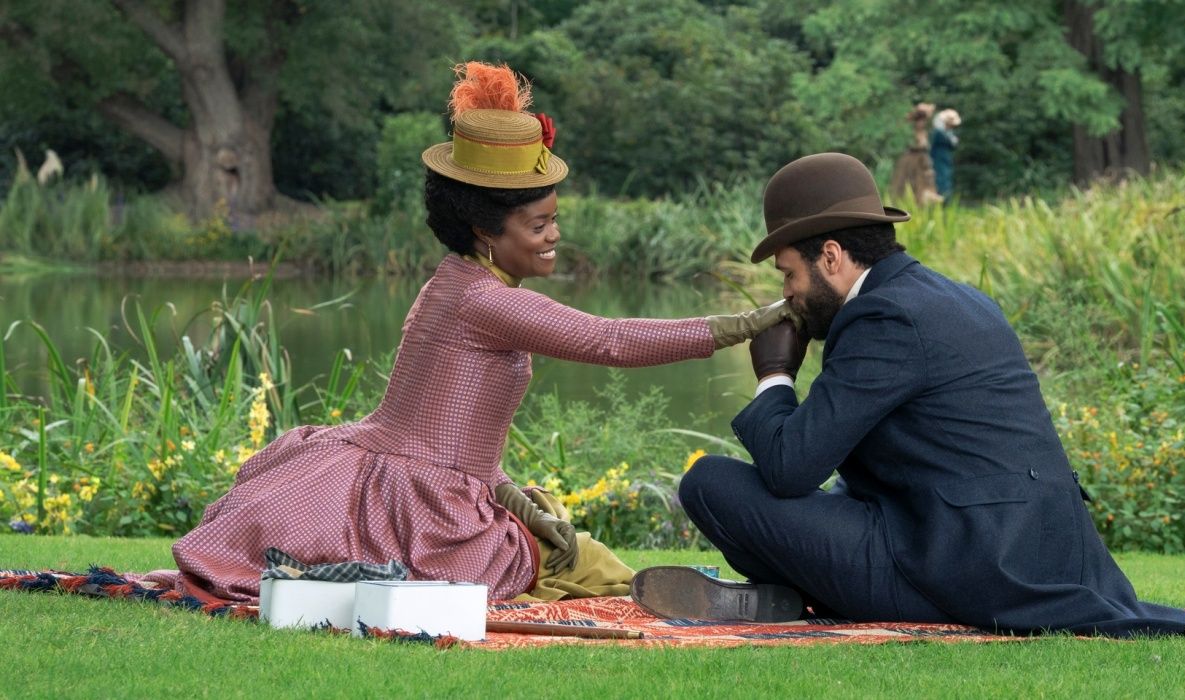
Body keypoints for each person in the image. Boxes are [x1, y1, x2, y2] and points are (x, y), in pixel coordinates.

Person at [167, 62, 789, 604]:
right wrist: (746, 324)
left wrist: (514, 499)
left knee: (580, 560)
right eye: (539, 224)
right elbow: (610, 342)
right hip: (421, 506)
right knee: (591, 569)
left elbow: (452, 435)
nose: (553, 236)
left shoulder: (457, 282)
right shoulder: (482, 299)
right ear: (488, 231)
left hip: (419, 484)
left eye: (555, 220)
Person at [632, 153, 1185, 638]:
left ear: (831, 256)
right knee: (792, 495)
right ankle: (787, 596)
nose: (789, 294)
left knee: (711, 483)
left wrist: (773, 377)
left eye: (790, 275)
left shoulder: (882, 320)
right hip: (1031, 555)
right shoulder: (948, 296)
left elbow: (792, 467)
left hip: (968, 570)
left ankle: (790, 594)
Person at [888, 102, 940, 205]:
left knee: (923, 182)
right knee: (909, 183)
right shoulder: (912, 131)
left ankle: (919, 203)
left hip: (921, 160)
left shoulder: (923, 131)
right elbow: (914, 145)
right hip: (913, 160)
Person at [930, 108, 960, 200]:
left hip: (946, 160)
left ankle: (945, 201)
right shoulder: (939, 132)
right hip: (938, 160)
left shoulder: (948, 132)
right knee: (940, 181)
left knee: (946, 180)